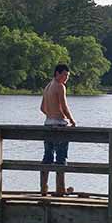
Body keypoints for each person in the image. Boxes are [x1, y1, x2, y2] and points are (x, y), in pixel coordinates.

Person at [39, 64, 76, 195]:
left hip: (48, 124)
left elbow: (42, 108)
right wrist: (71, 120)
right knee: (61, 157)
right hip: (59, 125)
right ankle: (60, 189)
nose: (66, 78)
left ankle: (43, 188)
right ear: (57, 73)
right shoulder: (60, 86)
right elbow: (65, 107)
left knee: (47, 156)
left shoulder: (48, 86)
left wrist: (51, 114)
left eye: (67, 76)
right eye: (64, 75)